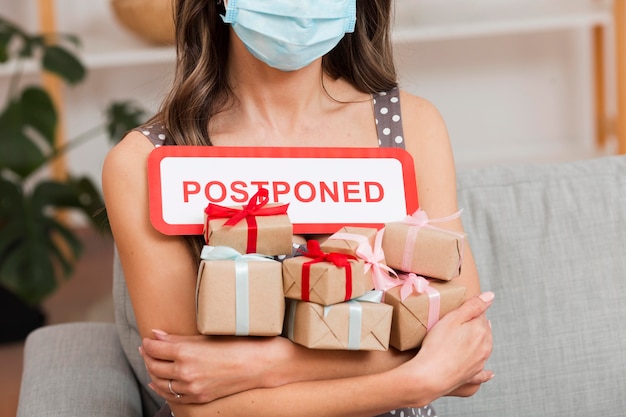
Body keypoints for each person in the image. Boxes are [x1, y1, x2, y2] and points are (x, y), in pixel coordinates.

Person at [102, 0, 494, 416]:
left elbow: (466, 344)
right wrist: (412, 382)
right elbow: (196, 403)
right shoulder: (143, 163)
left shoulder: (412, 126)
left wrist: (263, 364)